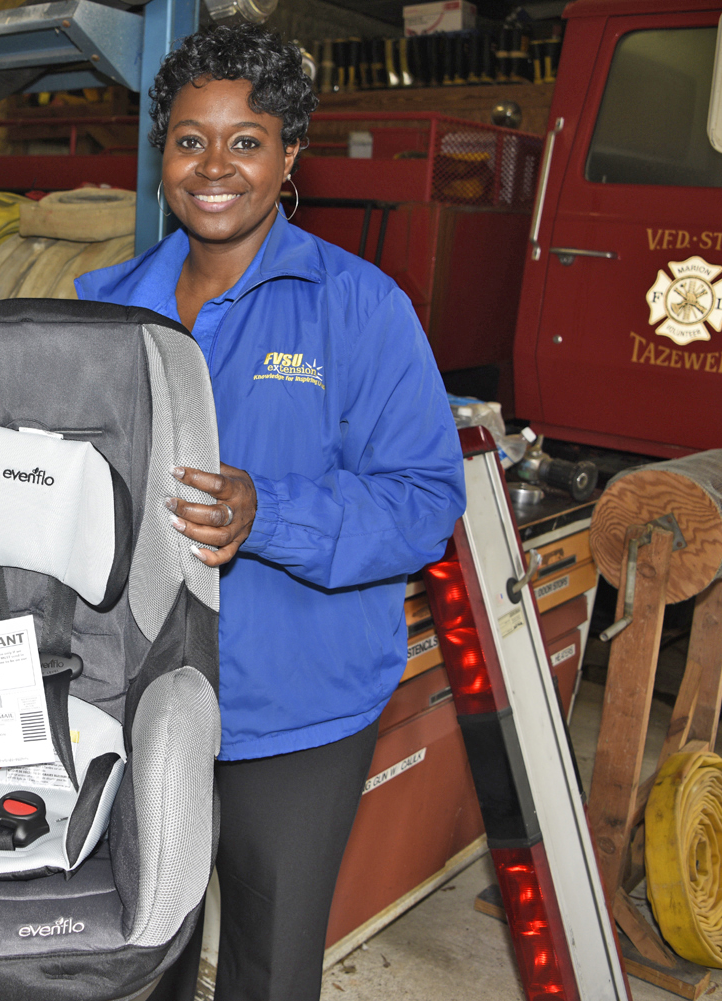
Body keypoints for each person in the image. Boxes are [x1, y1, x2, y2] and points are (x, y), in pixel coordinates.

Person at [75, 24, 466, 1001]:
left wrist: (269, 512)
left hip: (294, 711)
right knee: (131, 950)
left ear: (291, 155)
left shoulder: (360, 308)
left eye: (245, 140)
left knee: (268, 964)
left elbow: (425, 502)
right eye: (188, 139)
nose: (213, 167)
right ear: (160, 150)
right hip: (132, 696)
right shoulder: (104, 307)